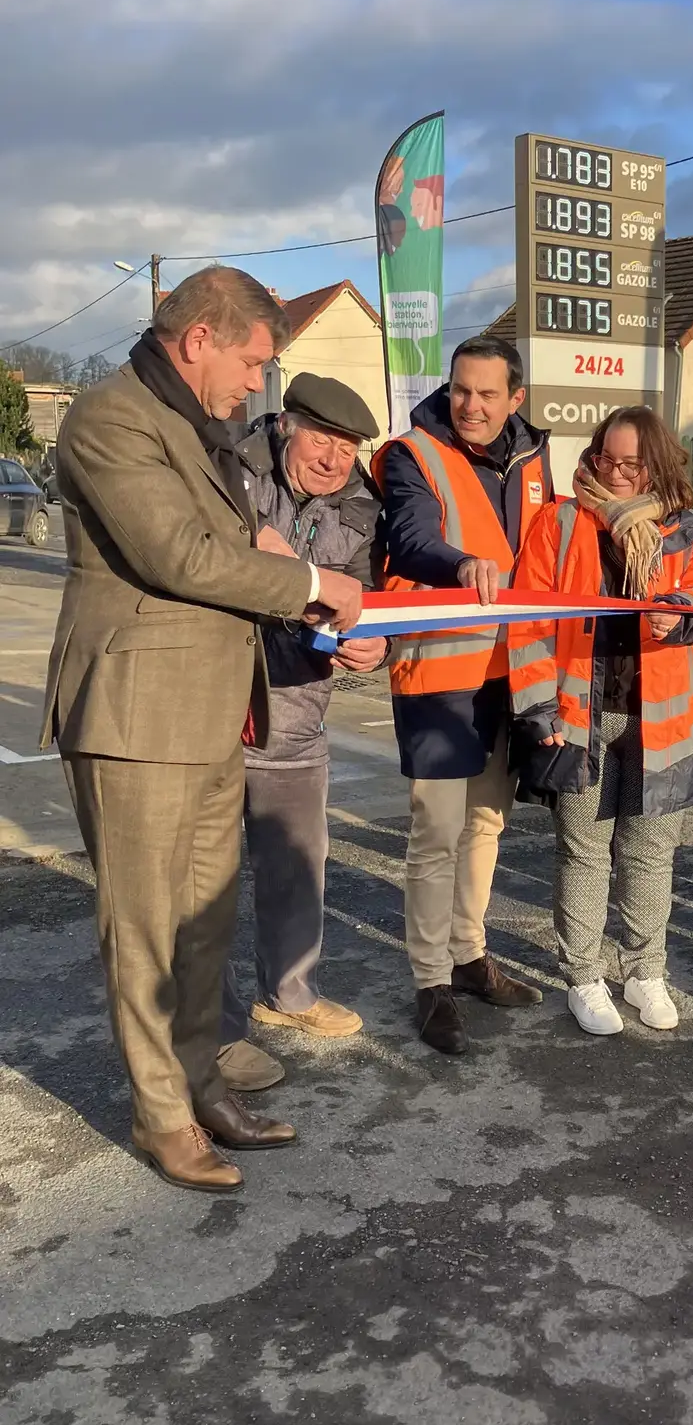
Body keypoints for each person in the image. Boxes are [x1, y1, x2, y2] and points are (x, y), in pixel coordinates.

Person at [41, 268, 364, 1193]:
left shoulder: (198, 430)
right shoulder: (111, 420)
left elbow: (231, 544)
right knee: (145, 929)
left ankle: (198, 1083)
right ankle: (161, 1117)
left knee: (205, 923)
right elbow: (175, 554)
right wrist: (308, 585)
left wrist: (291, 575)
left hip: (216, 711)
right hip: (137, 714)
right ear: (200, 341)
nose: (258, 383)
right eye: (254, 360)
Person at [508, 407, 693, 1035]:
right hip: (583, 715)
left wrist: (682, 612)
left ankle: (645, 971)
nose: (615, 471)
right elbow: (527, 619)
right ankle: (583, 976)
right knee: (582, 853)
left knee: (651, 853)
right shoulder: (558, 521)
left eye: (631, 462)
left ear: (658, 463)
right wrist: (538, 705)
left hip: (665, 721)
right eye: (607, 457)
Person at [373, 337, 553, 1055]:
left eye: (486, 394)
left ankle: (470, 955)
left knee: (486, 826)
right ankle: (430, 982)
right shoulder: (413, 454)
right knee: (436, 835)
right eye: (460, 391)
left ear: (515, 400)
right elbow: (411, 539)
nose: (470, 406)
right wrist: (462, 563)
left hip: (512, 674)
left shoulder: (535, 462)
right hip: (441, 673)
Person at [217, 374, 388, 1094]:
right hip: (218, 711)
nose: (333, 458)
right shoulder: (227, 468)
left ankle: (288, 996)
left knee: (297, 864)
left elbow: (364, 600)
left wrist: (371, 644)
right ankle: (218, 1033)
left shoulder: (362, 508)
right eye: (322, 438)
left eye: (347, 447)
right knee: (208, 884)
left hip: (297, 710)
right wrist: (268, 557)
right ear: (287, 424)